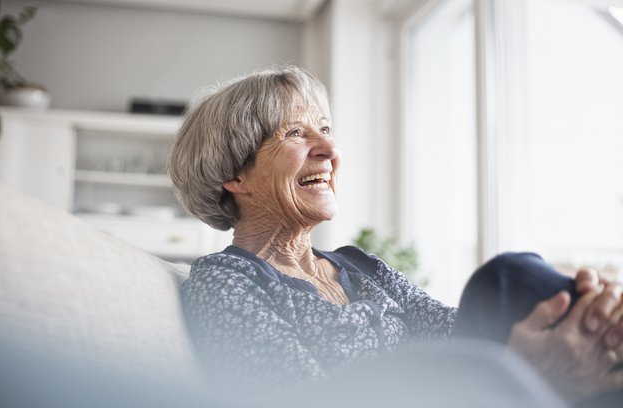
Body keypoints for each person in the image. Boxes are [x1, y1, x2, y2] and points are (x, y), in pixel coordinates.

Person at [169, 66, 623, 405]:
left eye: (325, 130)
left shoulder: (360, 265)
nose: (330, 150)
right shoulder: (225, 281)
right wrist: (523, 375)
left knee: (508, 280)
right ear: (235, 176)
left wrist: (566, 318)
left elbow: (463, 331)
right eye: (294, 132)